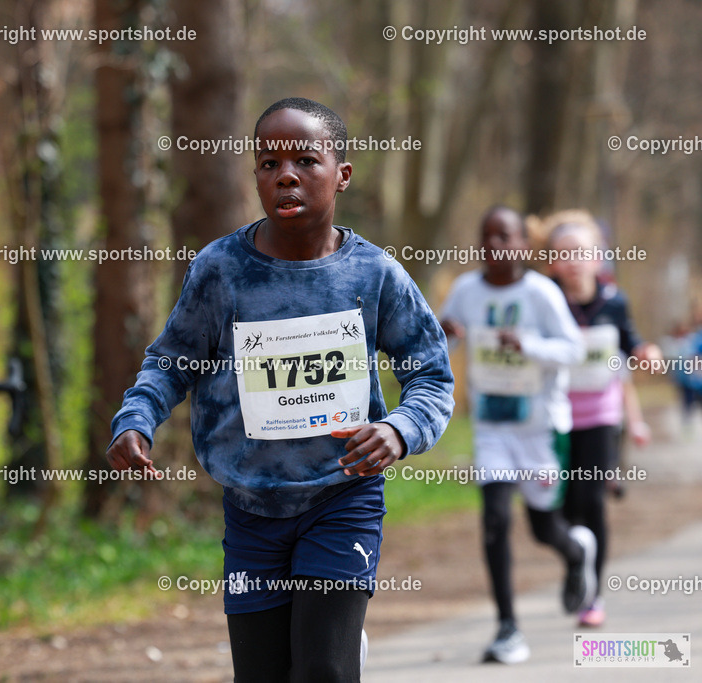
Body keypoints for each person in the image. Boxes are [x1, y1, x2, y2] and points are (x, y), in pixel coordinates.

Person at [106, 97, 454, 682]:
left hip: (343, 496)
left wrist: (399, 428)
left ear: (341, 176)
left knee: (322, 670)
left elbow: (430, 375)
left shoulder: (373, 275)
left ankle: (341, 648)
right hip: (251, 506)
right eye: (268, 163)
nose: (285, 174)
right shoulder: (222, 269)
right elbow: (171, 361)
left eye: (305, 160)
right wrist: (135, 417)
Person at [439, 206, 596, 664]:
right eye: (487, 237)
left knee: (543, 528)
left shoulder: (541, 293)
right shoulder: (466, 290)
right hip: (492, 428)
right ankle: (508, 627)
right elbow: (441, 341)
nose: (495, 246)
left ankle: (574, 552)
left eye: (505, 236)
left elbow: (573, 349)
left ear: (523, 245)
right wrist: (446, 333)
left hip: (540, 429)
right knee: (494, 520)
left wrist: (525, 345)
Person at [545, 210, 661, 626]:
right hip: (553, 416)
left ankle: (593, 594)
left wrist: (647, 352)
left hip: (600, 416)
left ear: (599, 258)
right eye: (564, 254)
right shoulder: (545, 298)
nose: (574, 261)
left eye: (582, 252)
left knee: (592, 501)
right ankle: (577, 563)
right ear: (552, 262)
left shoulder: (615, 301)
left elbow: (631, 342)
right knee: (562, 507)